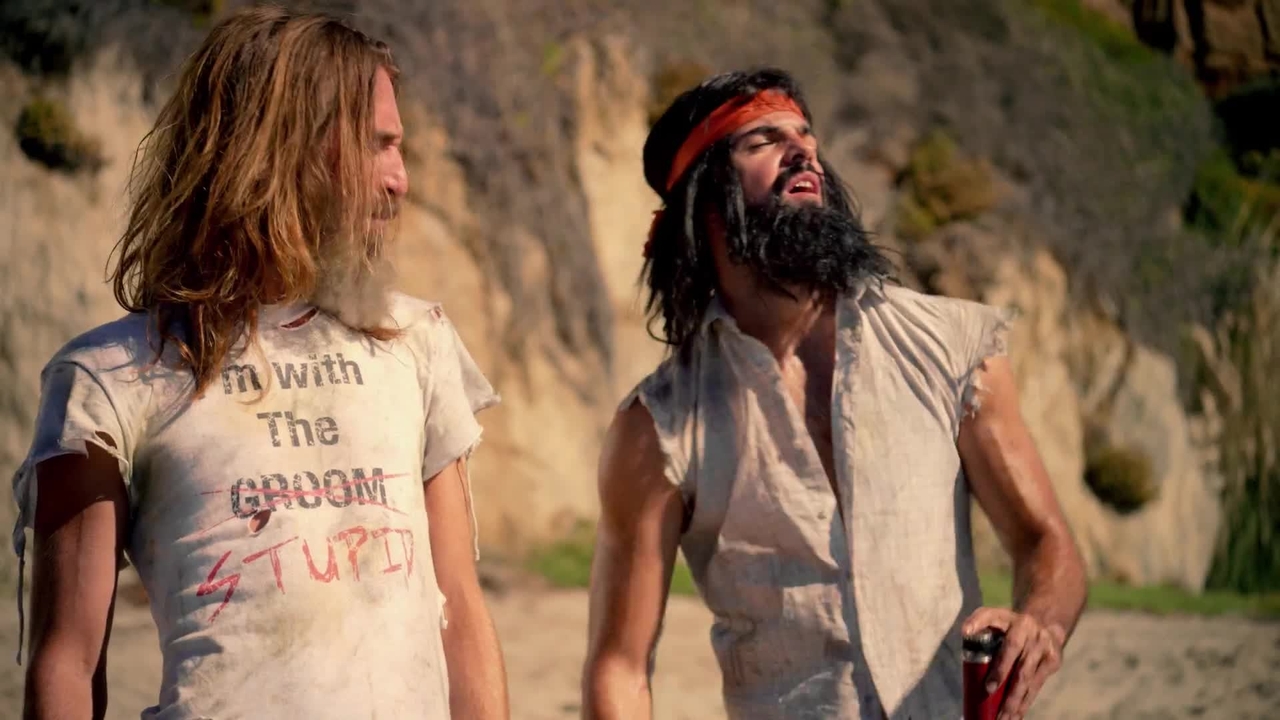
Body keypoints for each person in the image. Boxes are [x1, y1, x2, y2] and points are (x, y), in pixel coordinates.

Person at [10, 7, 509, 719]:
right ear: (281, 150)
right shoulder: (109, 378)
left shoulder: (414, 341)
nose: (399, 179)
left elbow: (458, 607)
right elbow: (67, 662)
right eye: (376, 146)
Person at [581, 68, 1089, 720]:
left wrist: (1040, 623)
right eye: (763, 140)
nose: (804, 151)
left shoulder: (952, 347)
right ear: (705, 197)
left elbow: (1045, 540)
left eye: (806, 135)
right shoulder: (661, 425)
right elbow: (620, 668)